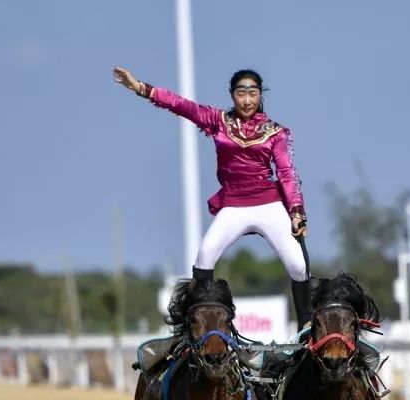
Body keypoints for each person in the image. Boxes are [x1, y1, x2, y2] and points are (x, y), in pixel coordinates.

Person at [113, 66, 312, 332]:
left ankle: (305, 329)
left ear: (260, 95)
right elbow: (181, 105)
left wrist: (297, 212)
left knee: (299, 266)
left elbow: (287, 173)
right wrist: (140, 87)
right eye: (241, 93)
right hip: (234, 205)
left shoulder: (276, 132)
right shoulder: (218, 121)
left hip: (267, 203)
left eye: (252, 93)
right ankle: (201, 328)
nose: (247, 100)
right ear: (232, 95)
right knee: (205, 257)